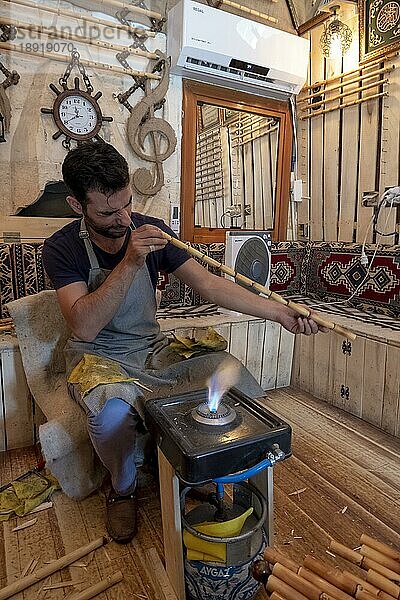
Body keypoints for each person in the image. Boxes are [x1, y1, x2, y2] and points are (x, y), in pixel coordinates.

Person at [43, 141, 326, 544]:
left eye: (128, 203)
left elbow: (209, 284)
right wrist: (130, 262)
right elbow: (84, 326)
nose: (124, 219)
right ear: (77, 206)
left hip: (151, 348)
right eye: (108, 212)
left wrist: (280, 314)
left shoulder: (152, 230)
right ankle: (123, 489)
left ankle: (208, 464)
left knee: (226, 372)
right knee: (109, 417)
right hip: (97, 356)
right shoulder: (61, 247)